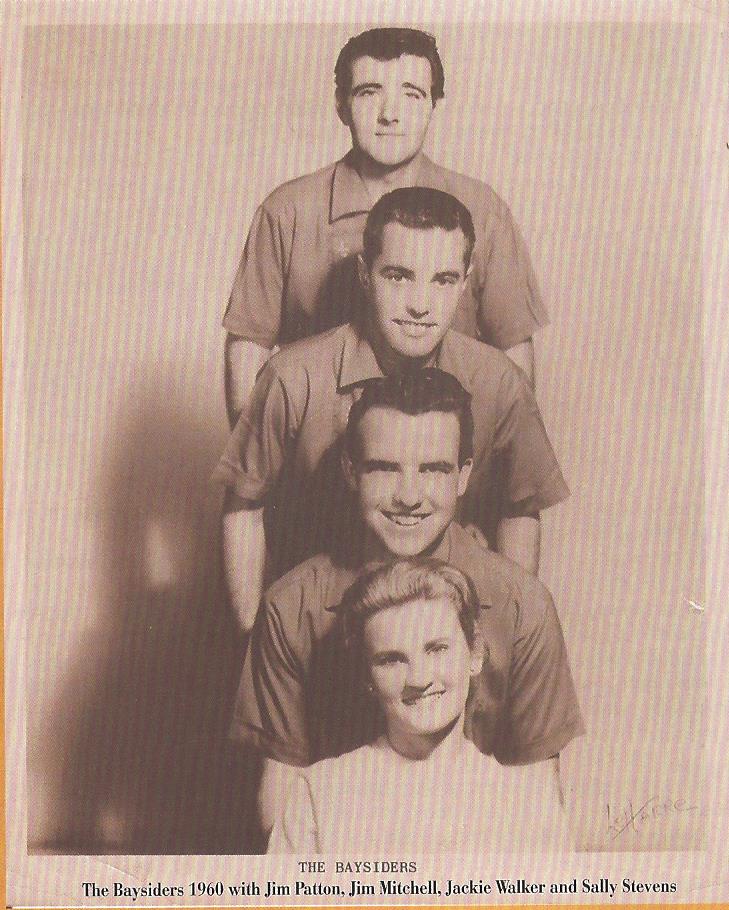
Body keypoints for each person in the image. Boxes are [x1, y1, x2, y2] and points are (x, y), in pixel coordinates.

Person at [232, 369, 583, 833]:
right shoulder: (290, 605)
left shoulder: (523, 605)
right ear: (350, 472)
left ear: (463, 476)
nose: (409, 497)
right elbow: (280, 795)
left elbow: (538, 798)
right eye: (384, 468)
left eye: (433, 469)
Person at [214, 188, 568, 631]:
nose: (420, 305)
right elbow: (245, 504)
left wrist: (505, 636)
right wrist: (251, 636)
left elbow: (519, 510)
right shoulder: (292, 377)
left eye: (443, 280)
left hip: (447, 625)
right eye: (399, 276)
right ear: (365, 275)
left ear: (465, 281)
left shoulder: (500, 382)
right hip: (323, 617)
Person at [224, 27, 546, 428]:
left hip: (440, 452)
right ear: (341, 105)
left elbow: (514, 355)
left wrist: (489, 455)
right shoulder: (287, 211)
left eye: (412, 94)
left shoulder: (483, 211)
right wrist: (260, 457)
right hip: (317, 451)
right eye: (369, 92)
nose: (390, 114)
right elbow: (248, 348)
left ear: (434, 105)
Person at [268, 559, 570, 853]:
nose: (419, 679)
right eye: (391, 660)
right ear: (367, 678)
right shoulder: (320, 793)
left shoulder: (528, 804)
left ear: (475, 654)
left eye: (436, 649)